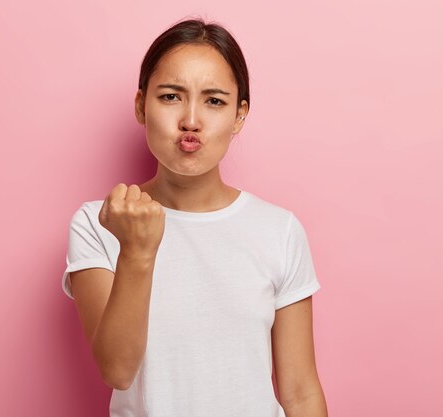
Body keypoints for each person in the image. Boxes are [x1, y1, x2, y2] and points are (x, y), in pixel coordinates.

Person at [62, 17, 328, 417]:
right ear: (141, 105)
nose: (191, 120)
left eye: (214, 101)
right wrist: (137, 251)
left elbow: (300, 392)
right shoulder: (100, 222)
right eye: (170, 96)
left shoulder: (280, 230)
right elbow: (117, 370)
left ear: (239, 115)